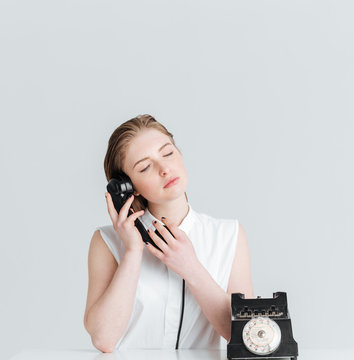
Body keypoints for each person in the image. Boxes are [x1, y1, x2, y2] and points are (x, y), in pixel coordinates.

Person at [84, 114, 254, 353]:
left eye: (167, 153)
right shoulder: (107, 242)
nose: (164, 169)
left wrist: (191, 267)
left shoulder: (229, 235)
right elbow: (104, 339)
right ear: (127, 187)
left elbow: (249, 335)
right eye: (145, 167)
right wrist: (133, 251)